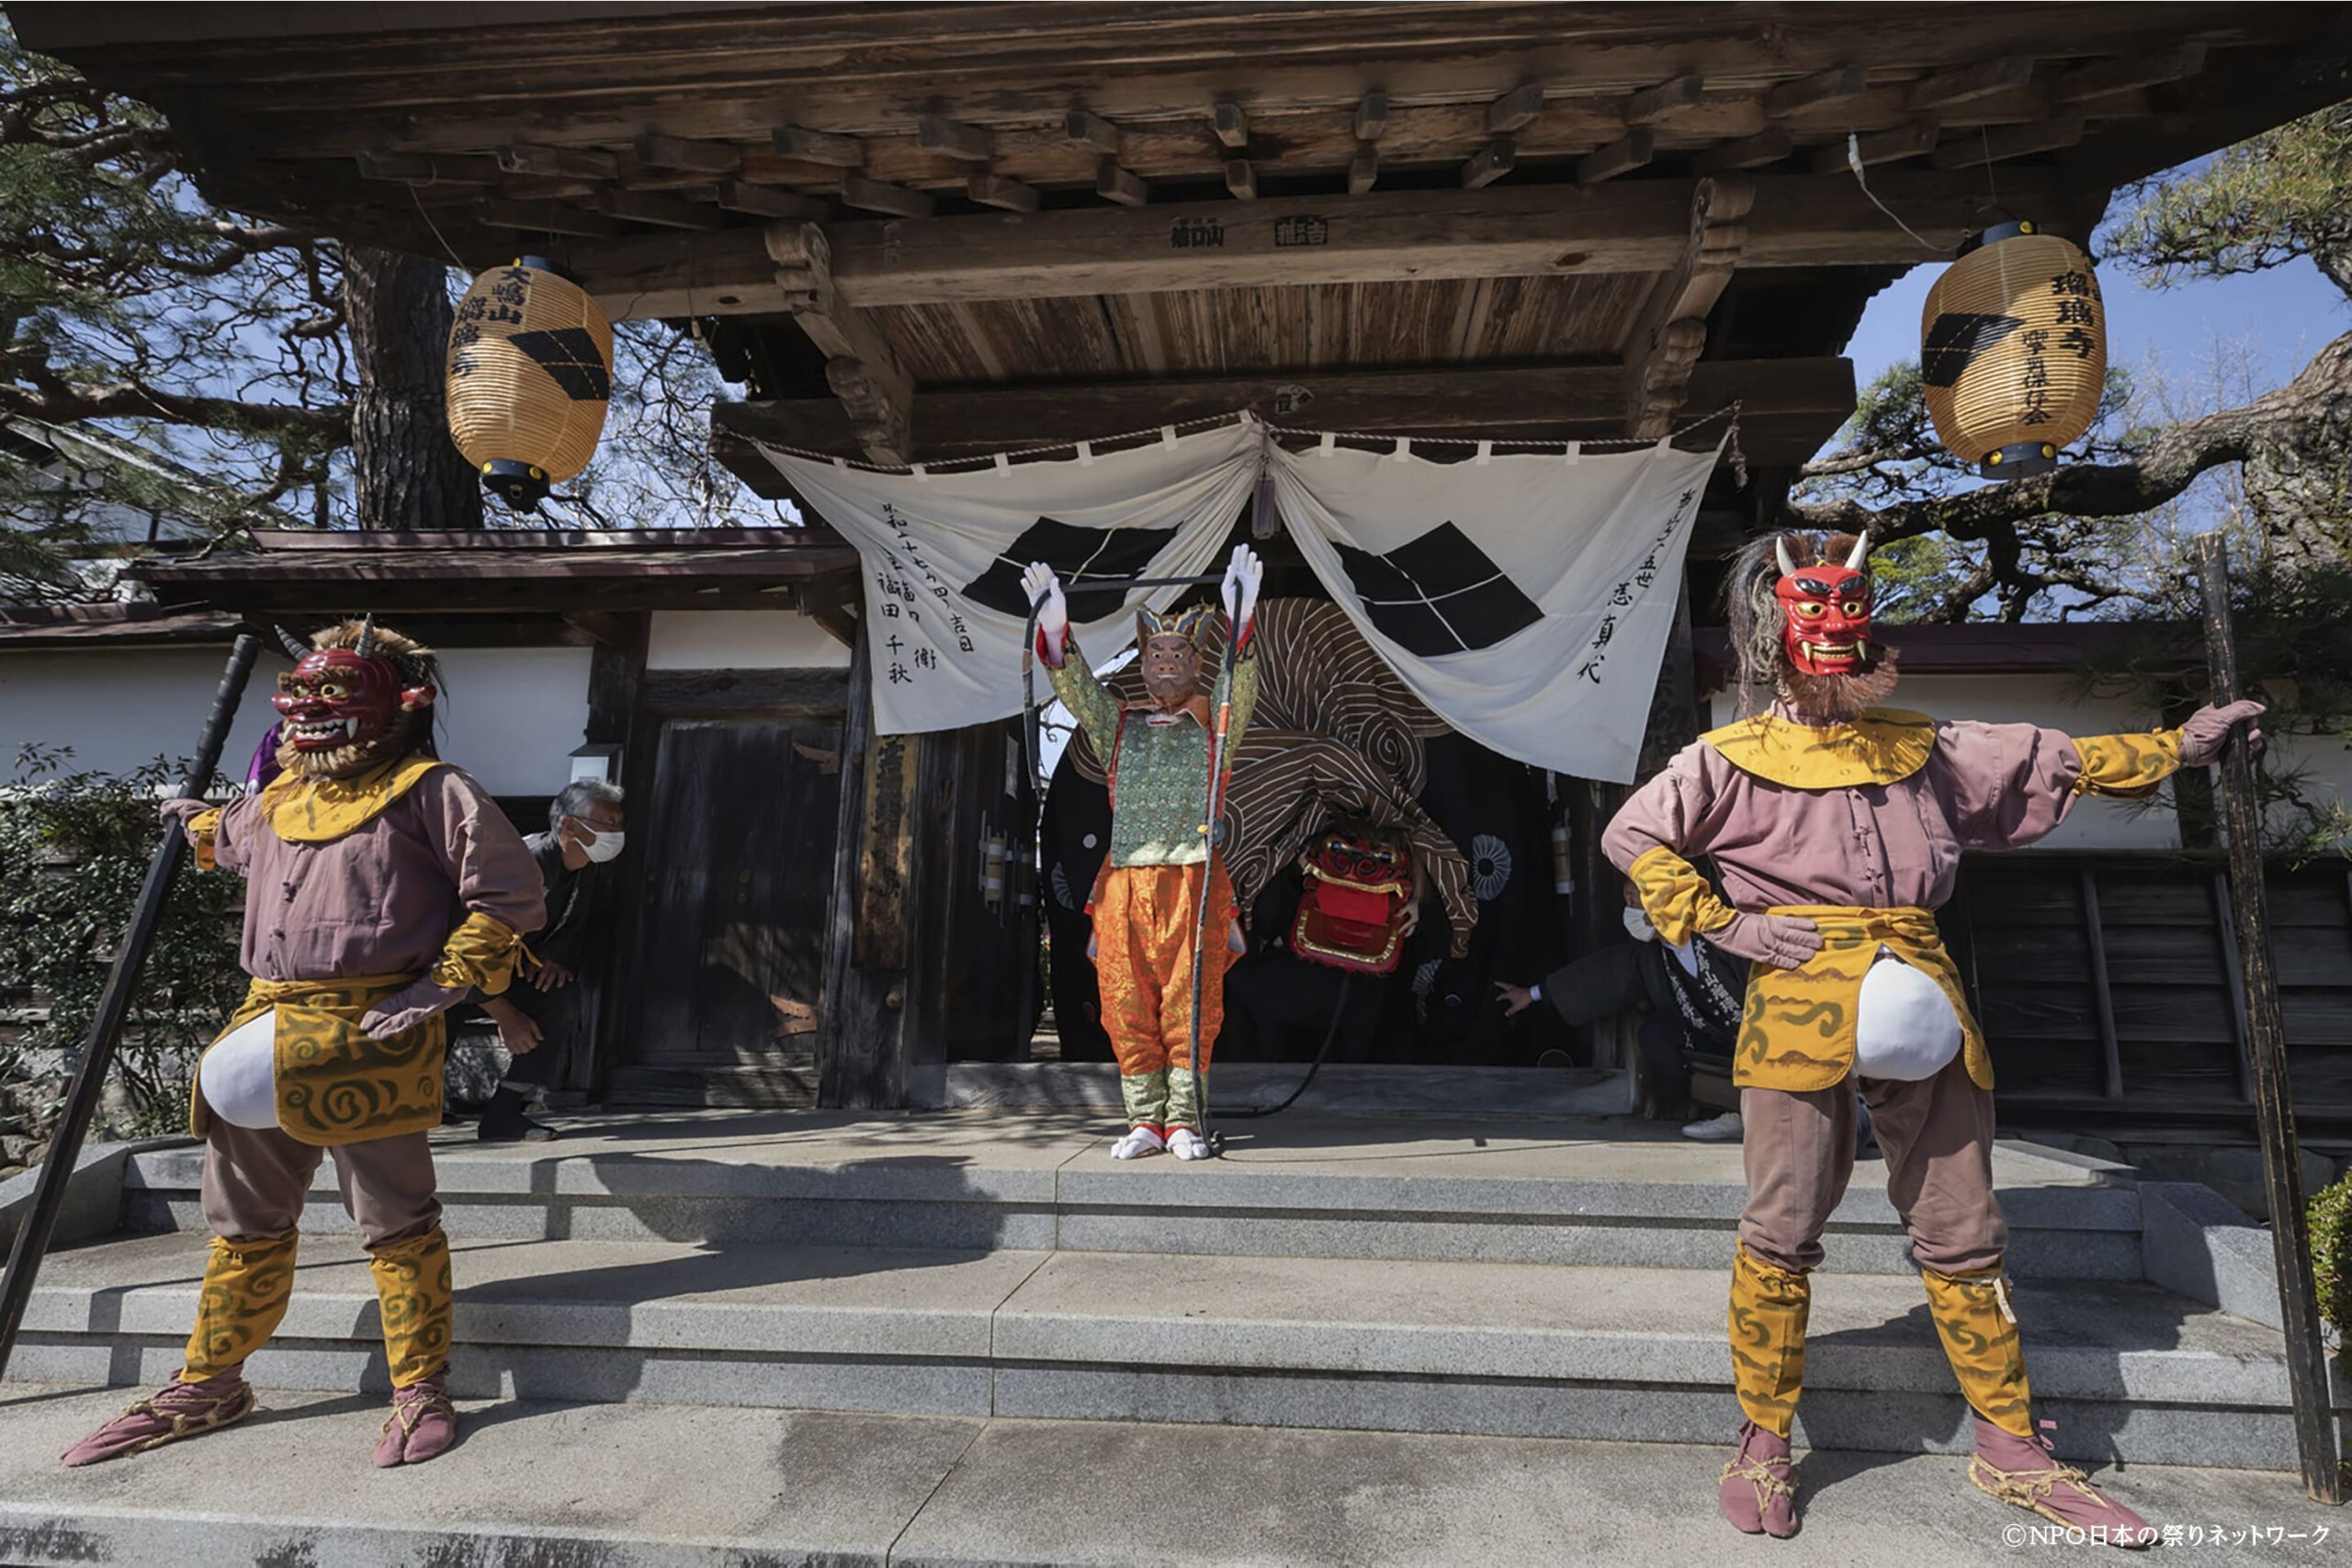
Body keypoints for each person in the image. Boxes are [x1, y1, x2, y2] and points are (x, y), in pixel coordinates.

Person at [1602, 529, 2261, 1543]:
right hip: (1794, 1008)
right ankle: (1762, 1437)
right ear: (1773, 633)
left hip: (1923, 1004)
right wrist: (1726, 923)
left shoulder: (1925, 745)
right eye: (1816, 612)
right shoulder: (1724, 760)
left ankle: (2009, 1448)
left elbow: (2064, 757)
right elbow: (1632, 835)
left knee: (1964, 1230)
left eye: (1853, 610)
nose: (1839, 628)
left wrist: (2183, 744)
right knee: (1780, 1229)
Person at [62, 617, 545, 1471]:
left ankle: (421, 1385)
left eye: (335, 693)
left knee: (396, 1225)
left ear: (397, 703)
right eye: (298, 694)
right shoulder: (275, 799)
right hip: (261, 1028)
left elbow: (507, 894)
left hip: (370, 1035)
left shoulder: (433, 789)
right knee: (241, 1227)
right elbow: (232, 838)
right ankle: (210, 1380)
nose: (310, 711)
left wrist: (441, 985)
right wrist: (201, 824)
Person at [1023, 544, 1262, 1161]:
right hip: (1126, 881)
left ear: (1195, 663)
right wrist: (1057, 632)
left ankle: (1184, 1117)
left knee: (1190, 1000)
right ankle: (1143, 1120)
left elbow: (1242, 689)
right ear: (1143, 662)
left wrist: (1242, 625)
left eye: (1178, 653)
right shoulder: (1119, 726)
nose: (1164, 663)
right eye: (1155, 652)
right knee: (1125, 998)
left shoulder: (1215, 731)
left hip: (1192, 879)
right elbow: (1078, 696)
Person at [1496, 878, 1747, 1138]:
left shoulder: (1721, 935)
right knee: (1656, 1034)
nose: (1629, 905)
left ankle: (1757, 1111)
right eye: (1626, 898)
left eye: (1634, 895)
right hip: (1711, 1042)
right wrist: (1533, 994)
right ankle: (1720, 1110)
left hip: (1757, 1036)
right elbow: (1599, 975)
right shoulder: (1649, 955)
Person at [475, 778, 627, 1143]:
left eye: (620, 824)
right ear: (570, 825)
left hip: (512, 969)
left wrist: (550, 958)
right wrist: (503, 1014)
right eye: (609, 824)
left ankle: (506, 1110)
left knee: (559, 994)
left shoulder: (584, 871)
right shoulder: (521, 864)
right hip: (458, 972)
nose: (617, 833)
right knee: (442, 1015)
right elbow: (465, 944)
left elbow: (570, 929)